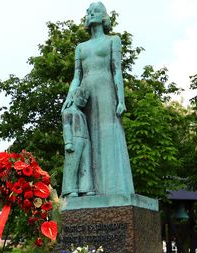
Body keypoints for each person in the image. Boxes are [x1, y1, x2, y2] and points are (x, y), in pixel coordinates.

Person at [62, 2, 135, 196]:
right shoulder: (80, 47)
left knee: (108, 135)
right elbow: (76, 76)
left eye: (96, 10)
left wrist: (121, 99)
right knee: (85, 139)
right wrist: (70, 97)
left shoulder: (114, 40)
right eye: (89, 11)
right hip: (85, 94)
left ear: (103, 16)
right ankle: (87, 188)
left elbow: (117, 71)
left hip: (106, 91)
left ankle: (114, 189)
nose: (91, 13)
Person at [61, 86, 95, 197]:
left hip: (85, 140)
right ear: (74, 96)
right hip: (74, 139)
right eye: (81, 97)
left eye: (85, 99)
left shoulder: (82, 114)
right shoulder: (67, 112)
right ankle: (70, 189)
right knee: (73, 165)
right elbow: (66, 127)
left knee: (86, 165)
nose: (83, 101)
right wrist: (68, 142)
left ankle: (86, 187)